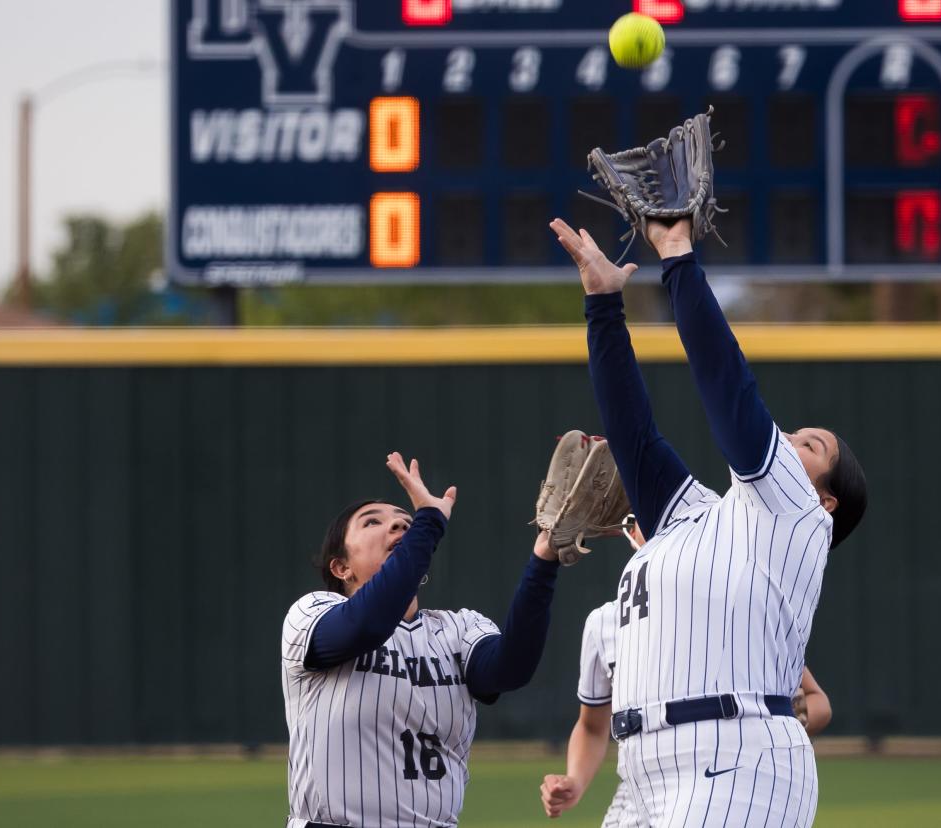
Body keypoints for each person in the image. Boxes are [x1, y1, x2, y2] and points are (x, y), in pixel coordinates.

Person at [548, 216, 866, 826]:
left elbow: (728, 388)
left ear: (826, 500)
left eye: (810, 444)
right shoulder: (695, 517)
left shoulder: (798, 516)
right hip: (642, 768)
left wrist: (677, 255)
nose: (789, 438)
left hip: (737, 759)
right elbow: (632, 437)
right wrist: (604, 304)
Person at [281, 451, 562, 828]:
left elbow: (510, 669)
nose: (398, 527)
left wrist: (544, 561)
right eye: (372, 522)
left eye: (405, 522)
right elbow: (366, 625)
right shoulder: (311, 613)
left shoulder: (457, 631)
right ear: (341, 566)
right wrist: (428, 521)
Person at [539, 520, 833, 824]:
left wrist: (766, 726)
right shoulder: (604, 623)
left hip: (716, 769)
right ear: (630, 534)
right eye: (643, 515)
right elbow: (592, 727)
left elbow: (817, 702)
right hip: (637, 787)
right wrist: (575, 779)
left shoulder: (722, 605)